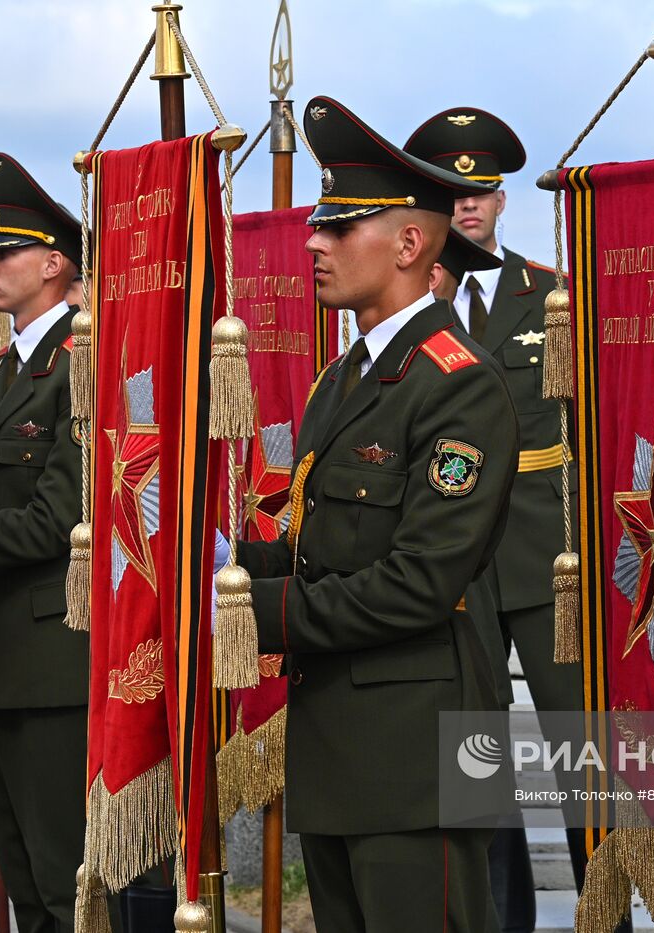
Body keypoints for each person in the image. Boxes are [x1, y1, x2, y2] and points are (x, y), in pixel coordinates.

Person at [229, 97, 519, 932]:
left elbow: (416, 584)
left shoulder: (457, 383)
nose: (314, 242)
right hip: (341, 746)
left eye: (341, 225)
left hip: (417, 756)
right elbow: (320, 548)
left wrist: (255, 612)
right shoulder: (345, 379)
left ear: (408, 244)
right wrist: (222, 565)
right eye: (319, 223)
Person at [407, 108, 602, 933]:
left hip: (542, 559)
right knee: (476, 763)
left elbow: (587, 424)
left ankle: (604, 913)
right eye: (454, 195)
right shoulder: (412, 310)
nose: (469, 209)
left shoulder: (552, 295)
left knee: (576, 753)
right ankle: (498, 920)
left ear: (501, 200)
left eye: (482, 193)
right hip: (458, 565)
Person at [0, 151, 91, 933]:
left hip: (52, 663)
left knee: (63, 880)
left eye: (4, 251)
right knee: (24, 880)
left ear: (53, 263)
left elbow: (57, 518)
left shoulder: (80, 363)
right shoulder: (0, 371)